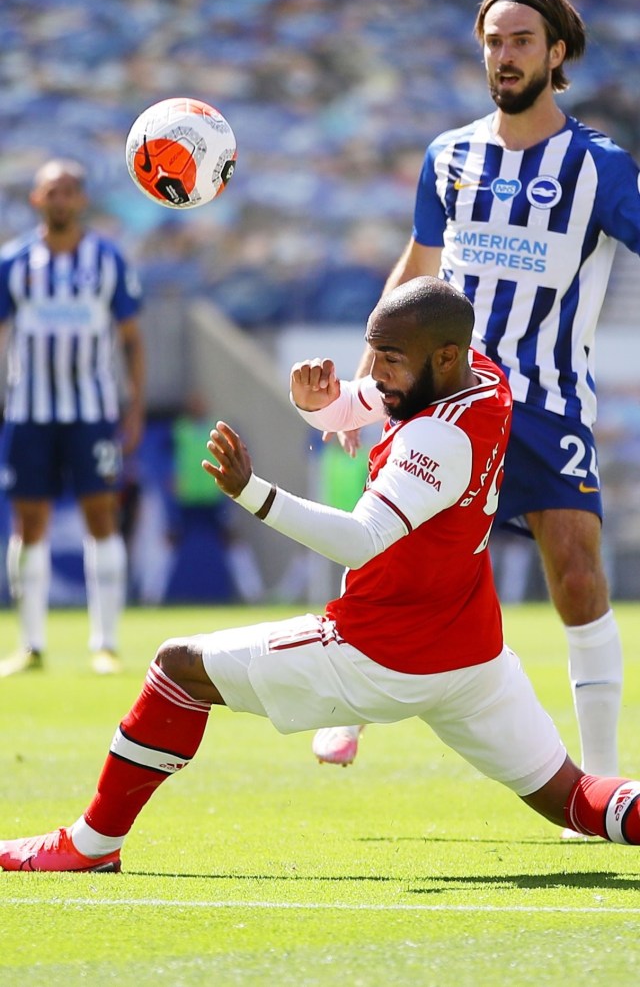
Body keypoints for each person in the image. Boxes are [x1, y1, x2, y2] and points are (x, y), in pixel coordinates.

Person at [3, 276, 640, 872]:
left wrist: (253, 493)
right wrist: (321, 407)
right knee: (578, 799)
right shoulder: (483, 378)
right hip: (471, 655)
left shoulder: (438, 441)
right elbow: (362, 402)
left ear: (444, 357)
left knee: (177, 667)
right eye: (374, 353)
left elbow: (361, 542)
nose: (378, 374)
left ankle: (90, 845)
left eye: (391, 359)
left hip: (379, 651)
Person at [312, 0, 640, 815]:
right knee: (391, 557)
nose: (505, 55)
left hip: (547, 403)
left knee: (575, 571)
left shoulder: (598, 168)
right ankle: (342, 701)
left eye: (523, 41)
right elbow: (415, 274)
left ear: (557, 53)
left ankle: (598, 784)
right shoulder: (450, 155)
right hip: (446, 400)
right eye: (494, 41)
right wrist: (370, 382)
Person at [0, 158, 144, 677]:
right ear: (36, 199)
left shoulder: (108, 261)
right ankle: (30, 644)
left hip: (92, 410)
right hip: (29, 410)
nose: (59, 199)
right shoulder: (13, 262)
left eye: (68, 191)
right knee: (28, 522)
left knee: (101, 516)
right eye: (50, 191)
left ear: (81, 200)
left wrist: (134, 408)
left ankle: (105, 642)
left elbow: (130, 341)